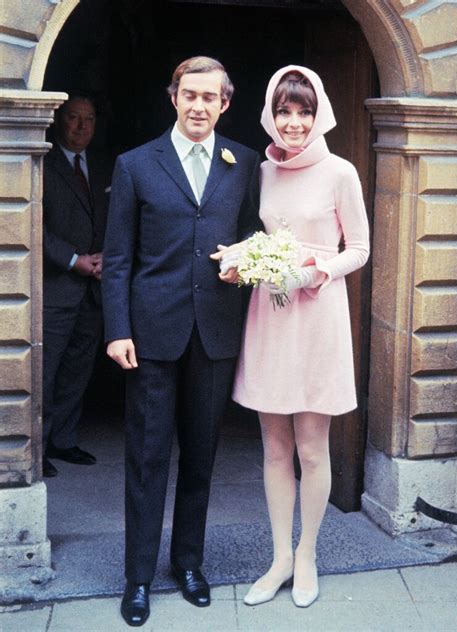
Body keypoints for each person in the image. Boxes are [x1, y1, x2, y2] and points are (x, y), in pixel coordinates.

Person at [101, 56, 261, 627]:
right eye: (189, 94)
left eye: (209, 97)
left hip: (214, 332)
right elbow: (117, 258)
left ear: (225, 103)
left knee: (201, 455)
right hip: (150, 335)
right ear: (174, 98)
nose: (198, 105)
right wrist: (117, 328)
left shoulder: (243, 162)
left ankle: (189, 564)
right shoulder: (137, 164)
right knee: (146, 458)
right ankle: (138, 577)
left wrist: (247, 260)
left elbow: (251, 233)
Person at [219, 65, 370, 608]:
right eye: (284, 110)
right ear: (271, 113)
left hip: (316, 314)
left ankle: (307, 554)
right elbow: (259, 237)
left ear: (319, 112)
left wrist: (312, 272)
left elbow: (360, 248)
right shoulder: (260, 171)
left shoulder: (340, 172)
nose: (294, 122)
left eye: (303, 111)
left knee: (311, 446)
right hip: (270, 315)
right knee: (275, 447)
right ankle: (279, 556)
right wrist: (244, 260)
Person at [42, 94, 112, 478]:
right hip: (57, 288)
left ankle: (63, 441)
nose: (82, 126)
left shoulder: (103, 167)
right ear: (58, 120)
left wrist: (106, 257)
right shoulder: (42, 162)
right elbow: (30, 225)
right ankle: (36, 446)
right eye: (73, 118)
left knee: (77, 369)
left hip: (94, 289)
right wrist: (73, 260)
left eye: (89, 119)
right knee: (45, 371)